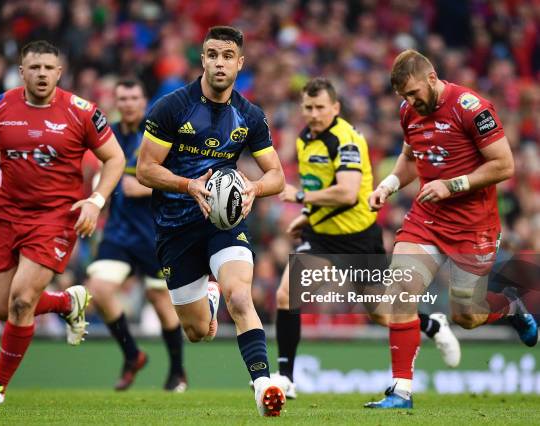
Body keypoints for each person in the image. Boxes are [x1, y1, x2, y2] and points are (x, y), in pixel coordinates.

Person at [365, 49, 537, 409]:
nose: (411, 102)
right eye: (404, 97)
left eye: (413, 93)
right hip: (427, 220)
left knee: (467, 315)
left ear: (431, 78)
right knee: (399, 292)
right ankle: (401, 392)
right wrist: (389, 185)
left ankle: (511, 308)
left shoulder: (471, 107)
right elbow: (411, 157)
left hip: (474, 226)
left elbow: (504, 165)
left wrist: (452, 184)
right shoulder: (408, 111)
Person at [0, 40, 125, 405]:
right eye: (34, 68)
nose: (42, 74)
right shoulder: (1, 105)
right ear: (22, 71)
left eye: (49, 68)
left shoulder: (81, 111)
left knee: (21, 301)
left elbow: (115, 158)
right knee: (2, 308)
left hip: (55, 219)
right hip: (7, 214)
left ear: (59, 72)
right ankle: (67, 303)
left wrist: (95, 202)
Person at [273, 77, 460, 399]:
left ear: (336, 107)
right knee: (286, 295)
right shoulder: (305, 138)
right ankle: (286, 379)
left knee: (380, 311)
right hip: (321, 237)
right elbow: (324, 189)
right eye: (308, 107)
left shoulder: (346, 140)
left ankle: (431, 324)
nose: (313, 113)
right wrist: (308, 216)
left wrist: (300, 197)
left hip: (358, 238)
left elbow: (346, 193)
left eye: (320, 107)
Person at [136, 26, 287, 416]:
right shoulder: (172, 107)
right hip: (175, 227)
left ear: (240, 63)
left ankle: (262, 385)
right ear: (202, 59)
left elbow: (278, 177)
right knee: (197, 331)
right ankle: (209, 295)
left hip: (223, 222)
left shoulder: (249, 115)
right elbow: (145, 170)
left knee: (241, 296)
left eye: (227, 56)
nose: (219, 63)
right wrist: (188, 185)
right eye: (212, 55)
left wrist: (253, 188)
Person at [81, 79, 187, 392]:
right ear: (116, 101)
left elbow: (183, 178)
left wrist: (144, 186)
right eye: (123, 98)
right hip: (119, 233)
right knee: (98, 290)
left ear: (145, 101)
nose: (128, 103)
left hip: (156, 233)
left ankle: (178, 372)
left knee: (160, 301)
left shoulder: (159, 132)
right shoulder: (107, 134)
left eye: (134, 97)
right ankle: (132, 354)